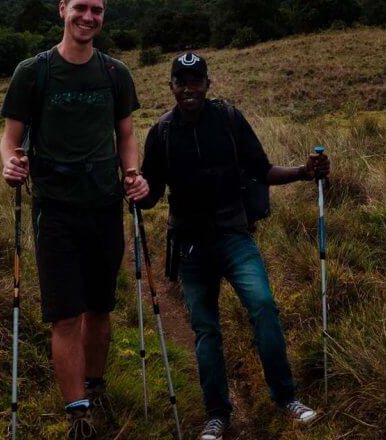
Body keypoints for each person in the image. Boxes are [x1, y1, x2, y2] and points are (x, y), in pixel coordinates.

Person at [134, 51, 330, 440]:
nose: (189, 88)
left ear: (208, 84)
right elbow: (152, 194)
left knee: (263, 307)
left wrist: (304, 173)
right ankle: (217, 415)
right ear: (171, 86)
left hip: (234, 236)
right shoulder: (162, 134)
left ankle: (286, 398)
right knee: (206, 329)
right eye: (181, 81)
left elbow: (261, 170)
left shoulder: (228, 119)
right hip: (190, 247)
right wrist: (134, 191)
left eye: (196, 81)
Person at [0, 0, 148, 440]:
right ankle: (78, 412)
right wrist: (10, 165)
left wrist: (132, 175)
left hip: (104, 205)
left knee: (100, 308)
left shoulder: (115, 74)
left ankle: (96, 386)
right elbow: (10, 138)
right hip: (56, 209)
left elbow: (126, 135)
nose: (88, 18)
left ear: (103, 16)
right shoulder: (34, 72)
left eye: (97, 11)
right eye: (80, 8)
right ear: (62, 10)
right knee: (65, 314)